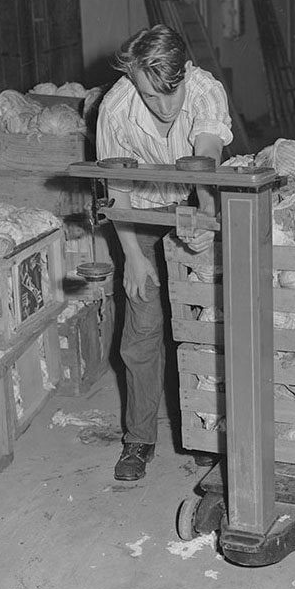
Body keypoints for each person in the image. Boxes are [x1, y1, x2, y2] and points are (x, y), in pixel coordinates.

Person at [96, 25, 233, 481]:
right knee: (142, 327)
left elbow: (207, 154)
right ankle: (139, 439)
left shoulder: (205, 90)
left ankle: (204, 432)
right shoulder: (115, 108)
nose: (161, 107)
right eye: (148, 95)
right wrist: (133, 255)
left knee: (203, 325)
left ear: (185, 73)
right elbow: (116, 187)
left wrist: (206, 215)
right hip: (139, 215)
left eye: (168, 96)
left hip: (195, 202)